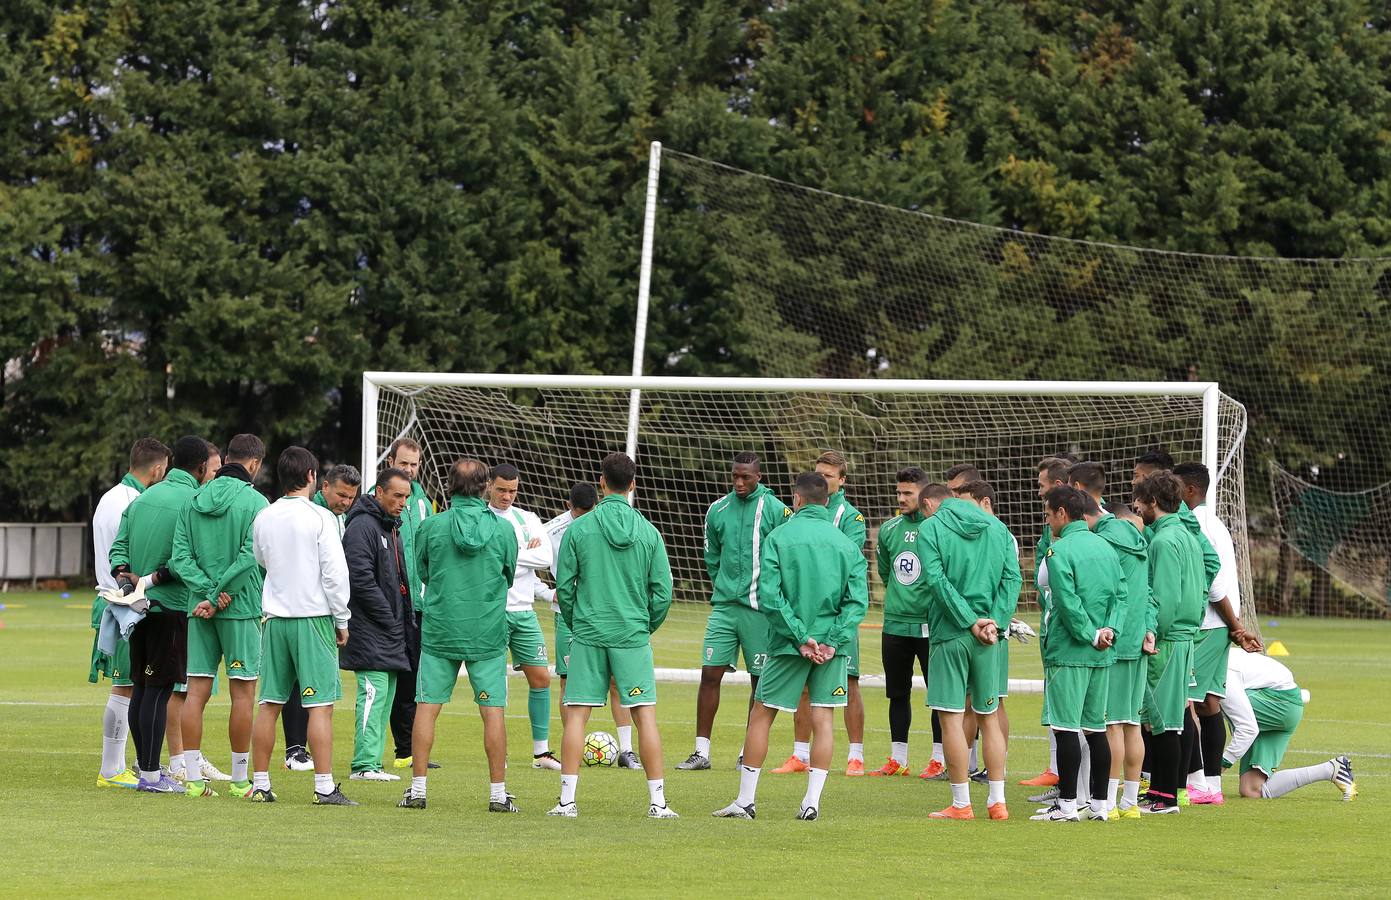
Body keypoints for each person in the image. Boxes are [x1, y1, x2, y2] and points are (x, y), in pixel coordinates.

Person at [714, 472, 868, 820]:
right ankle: (811, 802)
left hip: (787, 645)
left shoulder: (779, 537)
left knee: (762, 714)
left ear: (796, 500)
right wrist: (830, 641)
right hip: (830, 648)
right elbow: (857, 602)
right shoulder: (845, 544)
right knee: (824, 718)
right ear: (827, 501)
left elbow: (770, 595)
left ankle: (746, 801)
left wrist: (800, 636)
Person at [549, 452, 676, 819]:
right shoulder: (649, 531)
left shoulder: (579, 528)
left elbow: (565, 586)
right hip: (630, 635)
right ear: (633, 484)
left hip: (589, 632)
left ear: (601, 483)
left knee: (577, 716)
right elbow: (662, 592)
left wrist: (577, 622)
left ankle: (567, 802)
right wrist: (644, 625)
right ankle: (658, 803)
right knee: (645, 716)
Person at [398, 459, 518, 811]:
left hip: (441, 628)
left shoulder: (431, 527)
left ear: (448, 486)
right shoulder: (503, 529)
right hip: (486, 629)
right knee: (493, 711)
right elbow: (508, 574)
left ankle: (418, 790)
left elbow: (423, 571)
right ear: (485, 487)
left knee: (427, 708)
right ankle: (498, 795)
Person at [248, 447, 354, 805]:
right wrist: (342, 620)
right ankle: (324, 787)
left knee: (269, 703)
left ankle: (260, 784)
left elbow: (260, 559)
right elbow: (335, 575)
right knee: (320, 705)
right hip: (312, 618)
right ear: (311, 476)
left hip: (275, 619)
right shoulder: (321, 518)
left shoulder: (264, 516)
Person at [169, 433, 269, 800]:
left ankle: (193, 779)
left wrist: (206, 594)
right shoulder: (257, 502)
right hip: (239, 607)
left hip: (199, 609)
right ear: (255, 463)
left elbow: (179, 558)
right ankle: (241, 780)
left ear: (226, 458)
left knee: (195, 691)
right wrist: (219, 593)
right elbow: (250, 557)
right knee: (243, 693)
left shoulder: (193, 499)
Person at [108, 435, 209, 793]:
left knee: (141, 686)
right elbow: (184, 560)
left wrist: (128, 578)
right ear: (199, 469)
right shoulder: (193, 501)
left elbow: (117, 550)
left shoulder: (143, 497)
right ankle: (151, 774)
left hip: (135, 608)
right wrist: (153, 580)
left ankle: (146, 770)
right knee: (159, 689)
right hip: (170, 606)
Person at [679, 452, 789, 771]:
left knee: (760, 682)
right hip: (725, 607)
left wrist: (771, 593)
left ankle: (746, 752)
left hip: (760, 610)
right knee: (710, 673)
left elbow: (784, 556)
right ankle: (701, 752)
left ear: (759, 476)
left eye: (746, 477)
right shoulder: (718, 509)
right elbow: (712, 555)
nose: (740, 483)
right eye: (735, 476)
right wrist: (723, 585)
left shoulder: (776, 510)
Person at [919, 488, 1021, 821]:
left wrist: (968, 620)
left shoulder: (931, 528)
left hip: (951, 632)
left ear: (932, 504)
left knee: (950, 719)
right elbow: (1012, 579)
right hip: (990, 635)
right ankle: (997, 801)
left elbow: (936, 580)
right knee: (988, 718)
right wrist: (996, 621)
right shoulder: (999, 529)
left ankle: (962, 804)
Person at [1029, 487, 1123, 823]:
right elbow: (1121, 596)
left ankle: (1068, 805)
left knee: (1065, 728)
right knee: (1096, 729)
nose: (1047, 520)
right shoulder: (1106, 548)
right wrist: (1109, 629)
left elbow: (1067, 603)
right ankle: (1100, 805)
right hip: (1101, 653)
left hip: (1069, 651)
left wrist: (1090, 633)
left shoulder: (1059, 551)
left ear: (1062, 514)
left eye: (1048, 514)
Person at [773, 450, 868, 776]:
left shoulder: (851, 517)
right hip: (803, 614)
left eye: (830, 476)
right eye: (820, 474)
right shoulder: (798, 514)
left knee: (849, 683)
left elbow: (850, 563)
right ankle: (800, 753)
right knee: (802, 684)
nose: (824, 480)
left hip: (838, 618)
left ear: (841, 480)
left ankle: (856, 754)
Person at [1174, 461, 1261, 805]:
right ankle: (1211, 785)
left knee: (1187, 703)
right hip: (1220, 624)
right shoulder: (1215, 523)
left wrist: (1236, 627)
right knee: (1210, 703)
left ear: (1190, 490)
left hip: (1210, 624)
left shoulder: (1195, 524)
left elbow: (1211, 583)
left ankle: (1192, 782)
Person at [536, 484, 641, 768]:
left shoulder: (605, 525)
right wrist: (548, 593)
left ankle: (627, 751)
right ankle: (574, 746)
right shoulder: (551, 531)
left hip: (606, 613)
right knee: (569, 682)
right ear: (569, 505)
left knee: (618, 681)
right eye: (579, 512)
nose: (584, 517)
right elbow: (524, 566)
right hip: (570, 616)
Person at [90, 438, 169, 789]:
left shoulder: (111, 497)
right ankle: (112, 768)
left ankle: (132, 762)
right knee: (125, 687)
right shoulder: (134, 502)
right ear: (157, 468)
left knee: (132, 685)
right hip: (123, 603)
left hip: (116, 600)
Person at [1131, 471, 1206, 814]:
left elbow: (1163, 596)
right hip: (1186, 637)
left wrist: (1151, 633)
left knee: (1162, 722)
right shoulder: (1188, 535)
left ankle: (1165, 797)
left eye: (1141, 501)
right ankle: (1164, 793)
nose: (1136, 507)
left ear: (1154, 503)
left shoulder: (1162, 541)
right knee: (1172, 719)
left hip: (1169, 638)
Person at [486, 463, 561, 770]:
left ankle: (541, 753)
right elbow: (483, 558)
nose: (507, 496)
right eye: (502, 489)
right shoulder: (481, 517)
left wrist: (507, 553)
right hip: (493, 611)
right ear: (489, 485)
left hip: (524, 613)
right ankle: (498, 752)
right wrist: (520, 554)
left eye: (513, 490)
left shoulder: (527, 518)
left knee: (541, 678)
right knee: (495, 685)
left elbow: (545, 557)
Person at [341, 468, 413, 783]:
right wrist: (388, 617)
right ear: (379, 492)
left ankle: (373, 762)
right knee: (373, 692)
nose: (402, 503)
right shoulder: (362, 526)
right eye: (397, 496)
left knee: (386, 692)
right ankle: (363, 765)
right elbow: (359, 579)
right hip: (371, 627)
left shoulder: (388, 527)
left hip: (389, 628)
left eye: (406, 497)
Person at [866, 471, 936, 777]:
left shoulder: (937, 528)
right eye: (899, 492)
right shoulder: (889, 530)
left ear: (923, 495)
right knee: (897, 693)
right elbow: (886, 571)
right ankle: (898, 759)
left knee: (940, 696)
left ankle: (939, 759)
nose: (901, 498)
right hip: (895, 624)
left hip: (931, 625)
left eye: (908, 493)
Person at [1220, 648, 1355, 801]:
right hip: (1283, 706)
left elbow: (1246, 728)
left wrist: (1217, 769)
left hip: (1281, 704)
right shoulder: (1217, 657)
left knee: (1214, 700)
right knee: (1251, 790)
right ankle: (1331, 769)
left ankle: (1199, 779)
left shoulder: (1223, 669)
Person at [1089, 496, 1151, 819]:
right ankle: (1130, 803)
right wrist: (1149, 628)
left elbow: (1106, 592)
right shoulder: (1140, 542)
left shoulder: (1105, 541)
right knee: (1131, 725)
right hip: (1138, 640)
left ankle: (1109, 803)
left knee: (1111, 725)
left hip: (1115, 641)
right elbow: (1147, 593)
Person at [1019, 455, 1073, 789]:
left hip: (1075, 627)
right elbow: (1043, 570)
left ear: (1056, 485)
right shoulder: (1050, 526)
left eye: (1040, 485)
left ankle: (1078, 790)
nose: (1037, 493)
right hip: (1055, 619)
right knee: (1059, 698)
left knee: (1079, 707)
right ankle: (1060, 774)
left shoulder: (1093, 525)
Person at [384, 437, 435, 770]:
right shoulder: (381, 499)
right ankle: (401, 749)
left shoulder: (423, 503)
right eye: (404, 463)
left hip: (419, 604)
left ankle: (410, 749)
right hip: (391, 602)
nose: (410, 470)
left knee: (415, 676)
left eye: (414, 464)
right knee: (394, 677)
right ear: (391, 462)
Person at [314, 464, 362, 537]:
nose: (346, 503)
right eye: (341, 495)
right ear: (325, 486)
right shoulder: (306, 513)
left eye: (351, 497)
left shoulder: (344, 519)